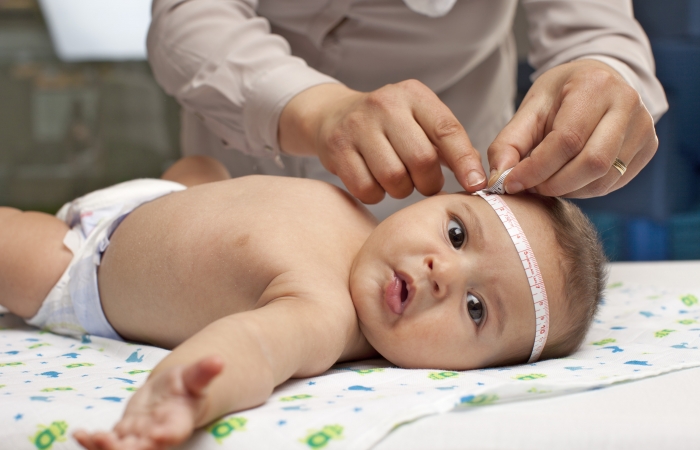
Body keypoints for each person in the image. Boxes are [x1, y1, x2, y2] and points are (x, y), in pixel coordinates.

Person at [0, 156, 607, 449]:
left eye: (476, 310)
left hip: (83, 264)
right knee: (203, 169)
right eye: (456, 233)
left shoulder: (325, 314)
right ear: (443, 198)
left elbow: (254, 350)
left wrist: (187, 393)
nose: (442, 272)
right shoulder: (363, 218)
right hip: (166, 199)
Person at [147, 0, 667, 219]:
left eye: (477, 307)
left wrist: (605, 79)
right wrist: (317, 111)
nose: (436, 274)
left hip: (449, 156)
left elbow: (598, 30)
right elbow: (191, 15)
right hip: (244, 152)